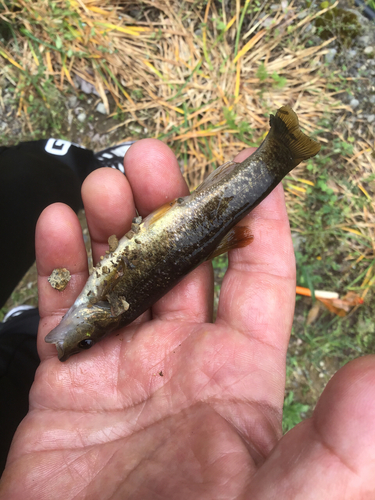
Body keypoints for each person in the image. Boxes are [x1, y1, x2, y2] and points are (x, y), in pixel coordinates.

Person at [0, 139, 375, 498]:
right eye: (84, 342)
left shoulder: (102, 304)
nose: (71, 342)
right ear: (104, 315)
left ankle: (17, 332)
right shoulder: (103, 304)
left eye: (84, 342)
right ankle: (20, 329)